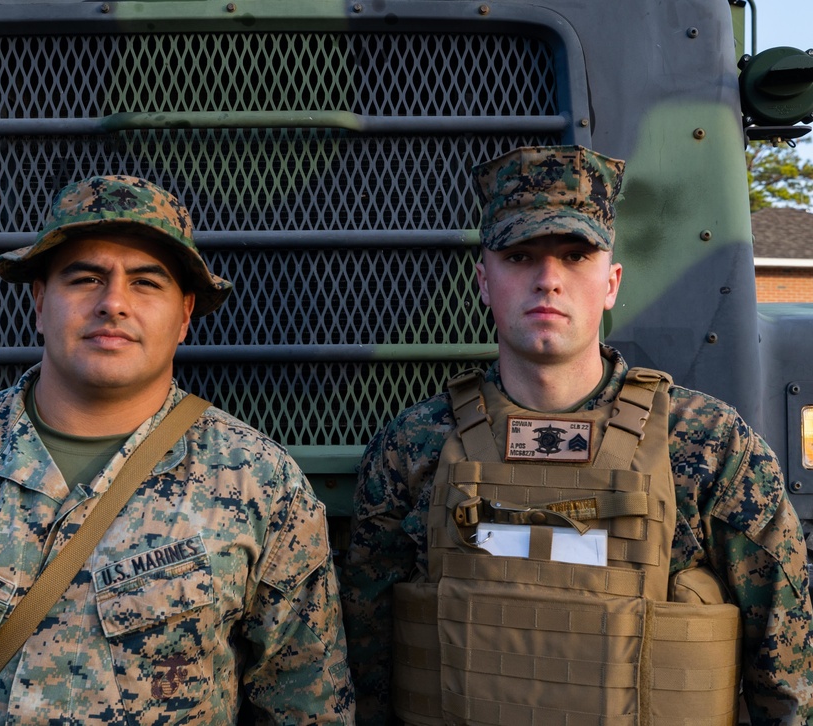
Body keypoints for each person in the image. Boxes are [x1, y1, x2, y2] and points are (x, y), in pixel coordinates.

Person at [0, 175, 355, 724]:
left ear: (185, 314)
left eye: (146, 282)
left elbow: (305, 701)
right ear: (41, 298)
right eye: (86, 278)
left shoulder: (260, 483)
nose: (113, 303)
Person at [341, 146, 813, 725]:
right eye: (519, 257)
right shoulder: (415, 444)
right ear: (485, 282)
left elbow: (784, 666)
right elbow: (366, 658)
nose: (548, 280)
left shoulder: (708, 443)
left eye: (574, 255)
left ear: (611, 281)